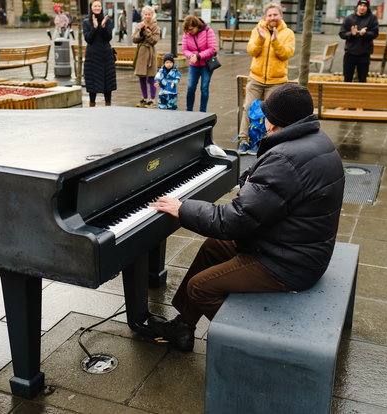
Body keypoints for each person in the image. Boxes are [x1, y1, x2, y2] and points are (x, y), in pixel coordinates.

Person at [147, 83, 345, 352]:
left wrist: (183, 208)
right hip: (295, 245)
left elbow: (234, 220)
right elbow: (269, 197)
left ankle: (255, 348)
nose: (262, 119)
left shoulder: (286, 159)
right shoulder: (314, 141)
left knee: (200, 288)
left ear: (274, 122)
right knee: (213, 247)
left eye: (265, 114)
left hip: (288, 265)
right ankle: (183, 327)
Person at [236, 3, 295, 155]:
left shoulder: (288, 33)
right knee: (248, 107)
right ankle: (243, 140)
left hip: (276, 81)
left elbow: (286, 54)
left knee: (270, 112)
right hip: (256, 78)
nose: (272, 18)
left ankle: (262, 142)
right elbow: (252, 51)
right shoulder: (257, 30)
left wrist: (275, 41)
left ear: (280, 16)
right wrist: (261, 39)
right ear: (265, 17)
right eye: (269, 15)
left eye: (275, 15)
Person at [83, 0, 116, 106]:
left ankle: (108, 105)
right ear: (91, 7)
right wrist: (95, 27)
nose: (97, 8)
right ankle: (92, 105)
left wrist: (102, 27)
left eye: (99, 6)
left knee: (108, 82)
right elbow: (88, 39)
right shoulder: (86, 22)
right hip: (92, 56)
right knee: (92, 83)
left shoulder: (108, 21)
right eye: (95, 6)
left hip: (106, 55)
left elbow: (108, 38)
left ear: (101, 7)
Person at [181, 15, 218, 112]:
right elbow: (185, 49)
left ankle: (203, 111)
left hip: (206, 64)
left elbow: (212, 49)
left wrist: (198, 56)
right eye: (187, 30)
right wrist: (191, 56)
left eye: (191, 29)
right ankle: (189, 110)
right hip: (194, 65)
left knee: (204, 88)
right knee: (190, 87)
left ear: (197, 26)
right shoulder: (187, 34)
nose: (189, 32)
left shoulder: (208, 31)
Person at [338, 0, 378, 83]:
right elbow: (342, 33)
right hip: (350, 53)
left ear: (367, 7)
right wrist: (351, 34)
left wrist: (365, 33)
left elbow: (375, 33)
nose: (362, 7)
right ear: (357, 6)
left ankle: (361, 95)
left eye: (364, 6)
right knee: (347, 79)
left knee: (362, 79)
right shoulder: (349, 18)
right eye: (360, 5)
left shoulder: (372, 18)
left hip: (364, 54)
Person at [133, 6, 160, 107]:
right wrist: (140, 34)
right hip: (141, 53)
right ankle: (144, 98)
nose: (147, 16)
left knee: (151, 77)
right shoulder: (139, 25)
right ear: (142, 15)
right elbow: (134, 39)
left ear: (152, 15)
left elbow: (154, 40)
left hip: (150, 53)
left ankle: (152, 99)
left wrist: (147, 32)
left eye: (149, 14)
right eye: (145, 14)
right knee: (142, 77)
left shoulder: (156, 27)